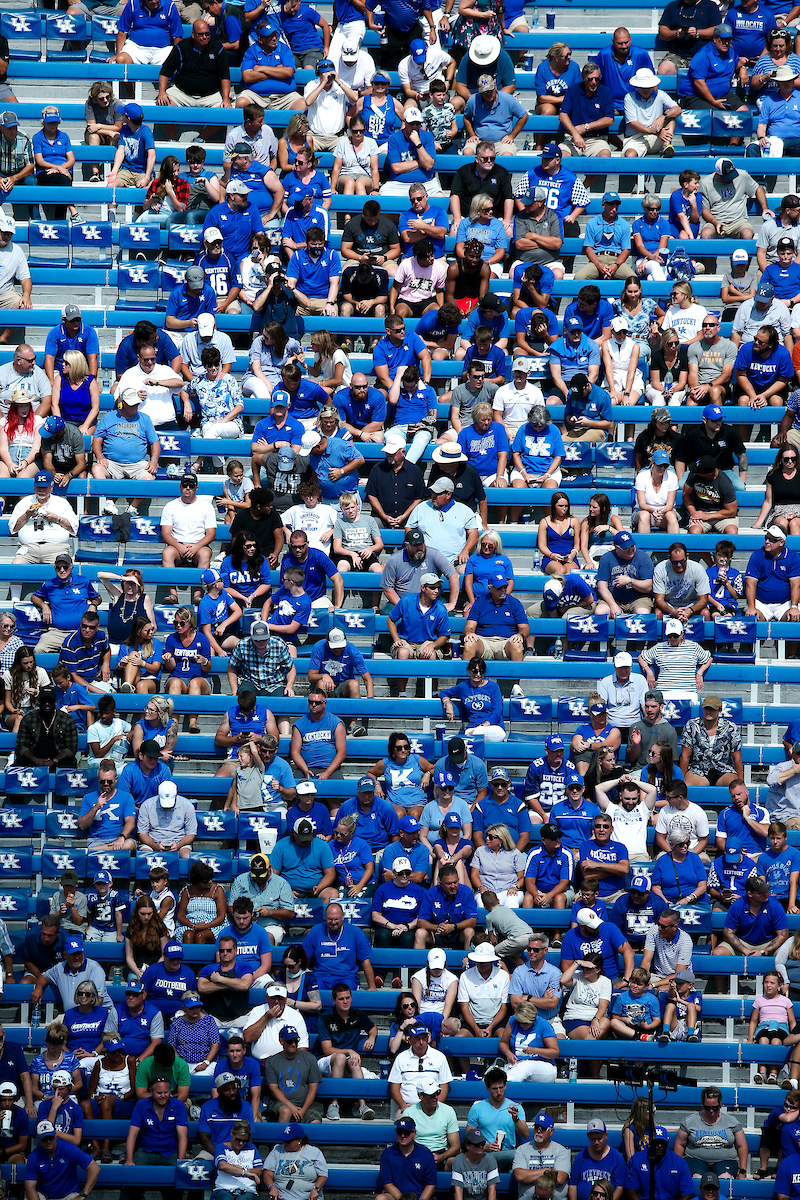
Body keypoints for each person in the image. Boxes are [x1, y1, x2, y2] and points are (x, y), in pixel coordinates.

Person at [673, 1088, 749, 1179]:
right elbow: (680, 1144)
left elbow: (742, 1146)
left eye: (715, 1108)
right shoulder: (689, 1122)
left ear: (720, 1104)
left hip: (725, 1160)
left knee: (725, 1177)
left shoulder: (732, 1122)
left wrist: (742, 1171)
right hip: (696, 1160)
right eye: (707, 1108)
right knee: (697, 1178)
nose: (711, 1111)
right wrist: (676, 1168)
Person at [25, 1120, 99, 1200]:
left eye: (50, 1137)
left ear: (55, 1134)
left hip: (69, 1195)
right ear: (37, 1138)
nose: (48, 1141)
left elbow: (94, 1168)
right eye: (44, 1139)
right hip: (44, 1195)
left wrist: (83, 1194)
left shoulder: (69, 1148)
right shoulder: (34, 1156)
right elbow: (30, 1187)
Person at [700, 158, 769, 241]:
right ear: (718, 175)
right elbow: (705, 211)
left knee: (747, 233)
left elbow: (758, 189)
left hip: (738, 221)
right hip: (716, 221)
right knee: (706, 234)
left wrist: (765, 208)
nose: (731, 178)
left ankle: (742, 254)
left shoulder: (742, 175)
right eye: (727, 177)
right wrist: (715, 222)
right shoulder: (706, 183)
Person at [745, 525, 800, 619]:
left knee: (795, 617)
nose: (767, 542)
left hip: (785, 603)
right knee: (752, 618)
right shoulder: (757, 555)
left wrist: (794, 606)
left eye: (772, 540)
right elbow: (750, 583)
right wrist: (751, 606)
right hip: (760, 603)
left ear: (781, 542)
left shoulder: (793, 557)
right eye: (766, 538)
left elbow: (795, 584)